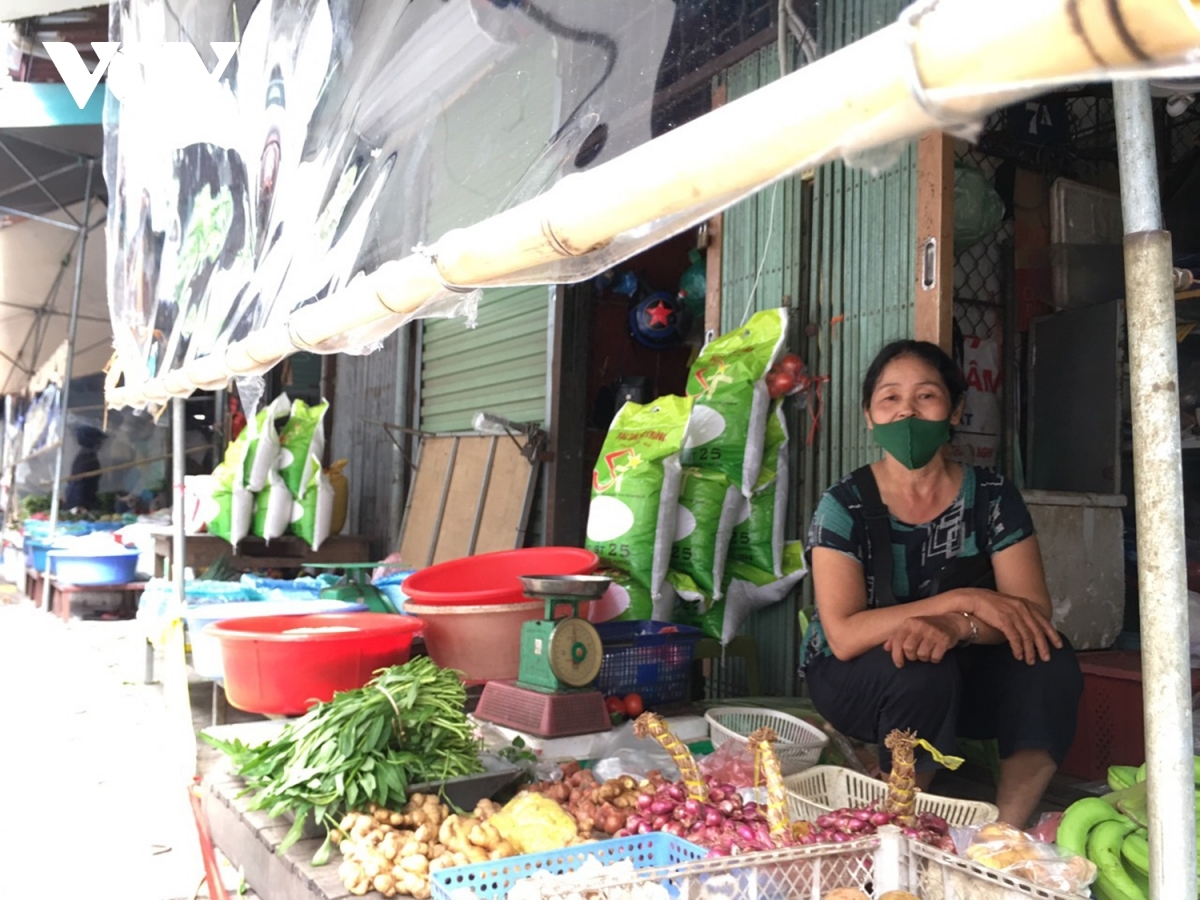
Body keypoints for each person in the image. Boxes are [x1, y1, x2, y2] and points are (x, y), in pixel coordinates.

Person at [801, 339, 1082, 827]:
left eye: (926, 396)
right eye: (890, 398)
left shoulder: (992, 497)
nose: (907, 410)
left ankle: (1003, 835)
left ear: (954, 410)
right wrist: (964, 599)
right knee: (920, 670)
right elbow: (844, 634)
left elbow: (1031, 613)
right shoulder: (843, 505)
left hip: (964, 670)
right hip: (856, 678)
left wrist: (956, 625)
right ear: (869, 416)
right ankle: (898, 827)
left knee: (1047, 659)